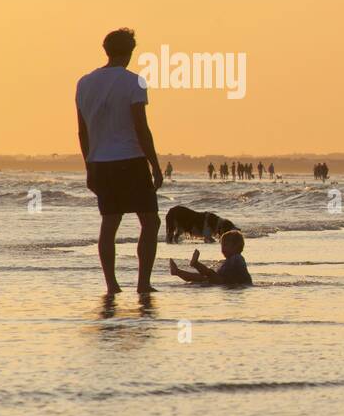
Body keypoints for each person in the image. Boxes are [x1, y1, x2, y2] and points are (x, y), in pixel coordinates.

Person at [76, 28, 163, 295]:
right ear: (130, 52)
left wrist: (89, 166)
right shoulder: (134, 82)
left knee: (110, 223)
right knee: (150, 222)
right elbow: (141, 127)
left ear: (106, 50)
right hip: (130, 160)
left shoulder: (85, 82)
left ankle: (112, 284)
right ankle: (143, 283)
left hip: (101, 163)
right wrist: (156, 165)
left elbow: (82, 130)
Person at [168, 230, 252, 286]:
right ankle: (177, 272)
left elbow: (224, 277)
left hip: (228, 282)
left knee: (208, 274)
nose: (223, 249)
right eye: (222, 246)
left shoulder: (236, 258)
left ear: (236, 246)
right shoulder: (231, 259)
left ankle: (194, 264)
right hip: (225, 281)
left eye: (226, 245)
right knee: (203, 277)